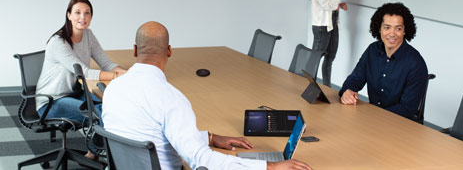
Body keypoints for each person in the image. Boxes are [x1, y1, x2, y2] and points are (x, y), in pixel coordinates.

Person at [102, 21, 312, 170]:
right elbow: (202, 161)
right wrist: (271, 166)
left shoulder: (114, 88)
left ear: (134, 50)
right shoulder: (171, 99)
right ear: (169, 51)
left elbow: (148, 132)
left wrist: (209, 137)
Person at [35, 0, 127, 159]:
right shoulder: (59, 42)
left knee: (111, 106)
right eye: (77, 12)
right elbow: (84, 72)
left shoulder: (88, 35)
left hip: (73, 92)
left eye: (87, 13)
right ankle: (108, 157)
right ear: (68, 15)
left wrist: (126, 73)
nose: (82, 17)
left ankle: (95, 152)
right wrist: (116, 75)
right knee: (100, 113)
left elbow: (105, 62)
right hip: (51, 101)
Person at [339, 2, 428, 118]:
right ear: (379, 29)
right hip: (373, 120)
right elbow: (355, 79)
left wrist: (375, 116)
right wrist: (347, 91)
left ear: (405, 31)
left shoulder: (416, 63)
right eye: (387, 27)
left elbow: (407, 109)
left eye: (398, 28)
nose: (392, 33)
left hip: (399, 125)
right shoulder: (372, 51)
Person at [311, 0, 351, 86]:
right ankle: (308, 87)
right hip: (322, 26)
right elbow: (326, 5)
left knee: (330, 58)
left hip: (332, 24)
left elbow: (330, 2)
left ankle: (326, 88)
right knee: (315, 59)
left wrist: (340, 4)